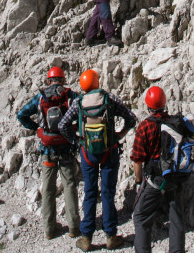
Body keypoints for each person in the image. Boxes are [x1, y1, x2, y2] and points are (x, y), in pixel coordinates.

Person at [58, 69, 137, 252]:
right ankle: (110, 235)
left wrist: (77, 140)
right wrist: (119, 135)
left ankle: (86, 237)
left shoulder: (78, 101)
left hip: (88, 153)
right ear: (97, 82)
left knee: (90, 192)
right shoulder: (109, 98)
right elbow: (131, 118)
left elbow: (63, 125)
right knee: (108, 192)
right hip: (110, 150)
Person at [16, 66, 80, 240]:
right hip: (66, 147)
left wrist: (37, 128)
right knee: (69, 185)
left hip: (48, 149)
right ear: (63, 80)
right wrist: (75, 130)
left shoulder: (40, 97)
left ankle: (49, 230)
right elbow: (83, 111)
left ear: (48, 80)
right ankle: (74, 227)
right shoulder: (70, 95)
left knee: (48, 188)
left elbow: (21, 115)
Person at [131, 86, 188, 253]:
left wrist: (138, 181)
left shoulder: (145, 126)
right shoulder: (175, 123)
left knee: (141, 217)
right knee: (176, 218)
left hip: (154, 180)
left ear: (148, 105)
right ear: (164, 103)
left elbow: (138, 159)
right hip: (175, 177)